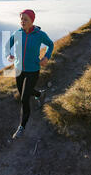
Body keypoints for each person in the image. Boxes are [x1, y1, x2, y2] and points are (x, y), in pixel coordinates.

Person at [4, 9, 54, 139]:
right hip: (19, 70)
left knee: (24, 98)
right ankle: (40, 94)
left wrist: (46, 57)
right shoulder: (17, 33)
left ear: (32, 21)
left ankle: (22, 126)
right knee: (25, 92)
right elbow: (6, 46)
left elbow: (50, 44)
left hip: (33, 70)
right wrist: (8, 55)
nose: (22, 21)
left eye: (25, 19)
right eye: (21, 19)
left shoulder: (40, 34)